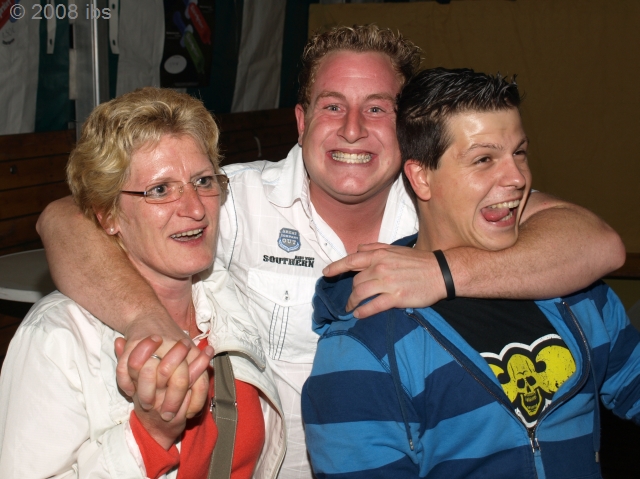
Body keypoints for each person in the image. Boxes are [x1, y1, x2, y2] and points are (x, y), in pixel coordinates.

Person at [36, 26, 625, 478]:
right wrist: (148, 321)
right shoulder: (233, 199)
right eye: (332, 105)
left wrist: (442, 271)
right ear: (301, 119)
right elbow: (64, 218)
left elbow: (596, 242)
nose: (352, 129)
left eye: (378, 108)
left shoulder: (440, 201)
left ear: (408, 129)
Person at [301, 68, 640, 479]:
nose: (517, 178)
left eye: (519, 153)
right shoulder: (365, 346)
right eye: (484, 159)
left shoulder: (572, 290)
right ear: (421, 177)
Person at [0, 87, 285, 478]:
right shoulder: (57, 337)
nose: (195, 208)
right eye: (160, 190)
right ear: (108, 216)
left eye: (203, 181)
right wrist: (151, 435)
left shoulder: (230, 297)